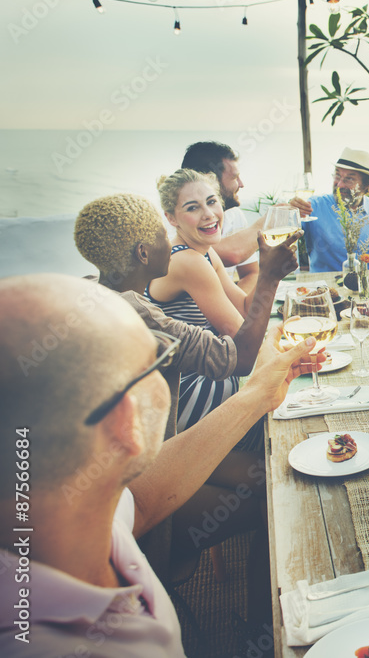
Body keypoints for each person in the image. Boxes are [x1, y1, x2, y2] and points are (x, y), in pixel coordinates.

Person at [0, 273, 317, 657]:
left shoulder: (69, 511)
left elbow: (143, 500)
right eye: (157, 361)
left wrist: (256, 396)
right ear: (125, 420)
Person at [73, 192, 300, 612]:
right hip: (133, 490)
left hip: (131, 465)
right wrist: (268, 278)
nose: (171, 241)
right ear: (145, 251)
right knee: (278, 504)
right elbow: (237, 359)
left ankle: (262, 619)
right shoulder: (134, 314)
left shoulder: (97, 294)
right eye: (163, 234)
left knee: (270, 477)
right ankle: (264, 627)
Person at [146, 169, 271, 437]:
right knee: (281, 428)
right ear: (171, 218)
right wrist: (271, 276)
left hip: (211, 380)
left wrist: (266, 271)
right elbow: (244, 343)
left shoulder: (204, 251)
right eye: (193, 208)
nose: (209, 214)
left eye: (212, 202)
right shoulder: (186, 261)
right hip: (189, 395)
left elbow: (247, 310)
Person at [288, 148, 369, 272]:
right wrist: (290, 211)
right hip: (324, 287)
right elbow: (283, 237)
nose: (339, 185)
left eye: (349, 179)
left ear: (366, 185)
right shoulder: (313, 206)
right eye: (337, 175)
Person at [182, 141, 263, 290]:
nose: (241, 184)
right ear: (210, 181)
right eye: (234, 178)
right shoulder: (179, 220)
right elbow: (230, 254)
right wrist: (269, 221)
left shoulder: (235, 215)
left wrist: (236, 306)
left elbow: (251, 273)